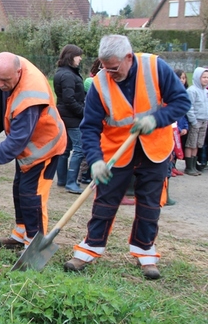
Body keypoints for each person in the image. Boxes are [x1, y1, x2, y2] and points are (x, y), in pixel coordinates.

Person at [63, 35, 190, 280]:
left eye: (114, 68)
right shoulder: (99, 83)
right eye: (104, 67)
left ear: (129, 58)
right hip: (116, 151)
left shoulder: (155, 67)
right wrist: (96, 159)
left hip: (154, 149)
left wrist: (156, 119)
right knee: (105, 202)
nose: (109, 73)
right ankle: (90, 247)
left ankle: (145, 252)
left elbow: (181, 101)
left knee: (150, 204)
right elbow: (89, 127)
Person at [0, 52, 66, 250]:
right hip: (28, 149)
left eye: (4, 81)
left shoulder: (30, 96)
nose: (0, 85)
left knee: (32, 196)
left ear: (18, 73)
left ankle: (35, 245)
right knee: (19, 190)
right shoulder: (13, 68)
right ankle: (21, 235)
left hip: (44, 149)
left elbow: (16, 141)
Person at [54, 44, 86, 194]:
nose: (80, 58)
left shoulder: (63, 73)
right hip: (72, 118)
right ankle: (71, 182)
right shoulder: (68, 75)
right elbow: (69, 99)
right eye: (78, 56)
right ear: (71, 57)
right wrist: (83, 112)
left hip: (63, 116)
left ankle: (62, 179)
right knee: (79, 149)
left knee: (64, 149)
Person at [183, 66, 208, 176]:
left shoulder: (205, 91)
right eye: (204, 77)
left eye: (207, 77)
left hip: (204, 120)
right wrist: (193, 121)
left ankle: (194, 166)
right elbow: (189, 106)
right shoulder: (192, 91)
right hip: (195, 121)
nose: (206, 79)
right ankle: (189, 167)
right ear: (198, 77)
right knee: (191, 144)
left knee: (198, 144)